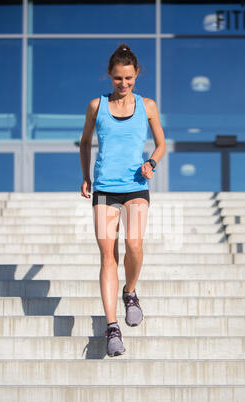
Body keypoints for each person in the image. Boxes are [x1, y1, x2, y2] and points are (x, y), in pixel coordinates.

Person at [80, 43, 166, 357]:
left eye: (128, 78)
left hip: (135, 186)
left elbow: (161, 144)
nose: (123, 84)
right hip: (104, 187)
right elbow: (85, 142)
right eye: (118, 78)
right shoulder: (95, 106)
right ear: (110, 76)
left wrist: (151, 164)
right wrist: (86, 176)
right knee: (107, 257)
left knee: (133, 245)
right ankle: (112, 327)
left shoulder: (148, 106)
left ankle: (130, 292)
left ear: (136, 74)